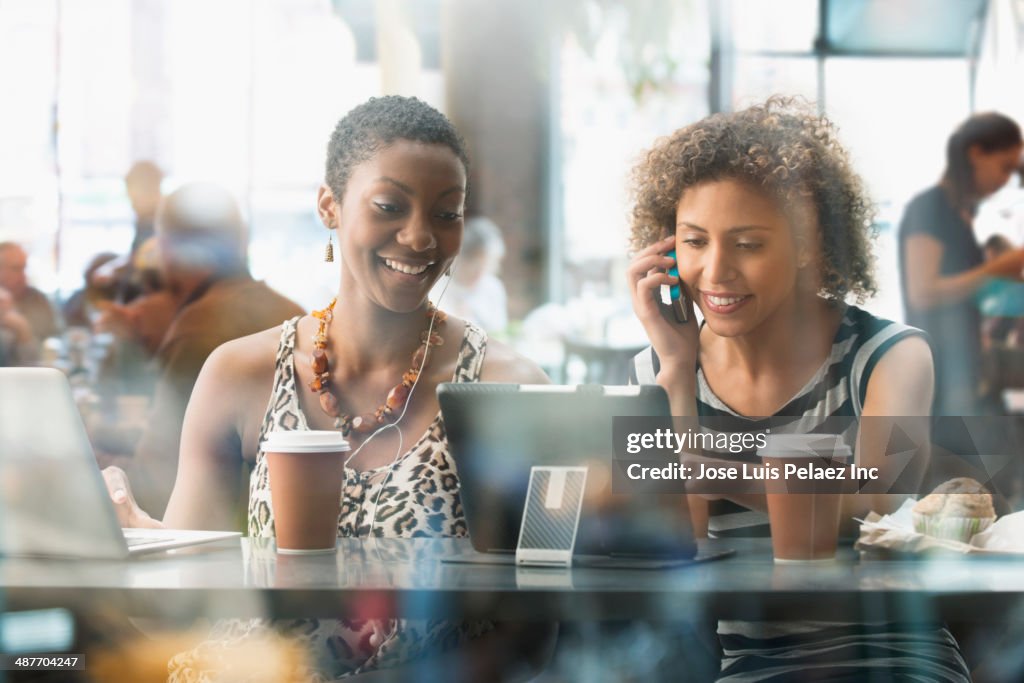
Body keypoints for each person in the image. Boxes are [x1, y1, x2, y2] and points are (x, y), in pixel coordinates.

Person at [102, 96, 554, 681]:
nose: (420, 238)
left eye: (447, 214)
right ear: (329, 206)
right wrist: (131, 532)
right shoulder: (240, 373)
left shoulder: (507, 387)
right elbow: (195, 600)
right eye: (389, 206)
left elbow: (532, 633)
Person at [626, 98, 969, 681]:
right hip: (757, 666)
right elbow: (680, 546)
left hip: (895, 659)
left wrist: (717, 470)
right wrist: (679, 373)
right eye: (694, 241)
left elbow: (875, 503)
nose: (715, 272)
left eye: (748, 243)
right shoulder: (660, 372)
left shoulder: (891, 355)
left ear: (809, 243)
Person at [112, 183, 304, 517]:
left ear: (172, 249)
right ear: (241, 240)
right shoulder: (294, 313)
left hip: (218, 547)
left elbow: (158, 478)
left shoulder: (198, 327)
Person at [899, 113, 1024, 416]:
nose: (1007, 179)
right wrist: (999, 267)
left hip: (966, 359)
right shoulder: (930, 207)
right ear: (976, 153)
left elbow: (964, 288)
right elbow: (924, 292)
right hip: (945, 369)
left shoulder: (961, 214)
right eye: (1004, 167)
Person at [432, 216, 509, 333]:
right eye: (475, 266)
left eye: (487, 266)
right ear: (460, 258)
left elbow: (500, 331)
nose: (480, 273)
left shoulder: (493, 287)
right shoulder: (438, 286)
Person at [0, 241, 60, 344]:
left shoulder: (39, 299)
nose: (23, 275)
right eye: (16, 268)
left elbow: (57, 342)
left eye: (24, 268)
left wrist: (22, 330)